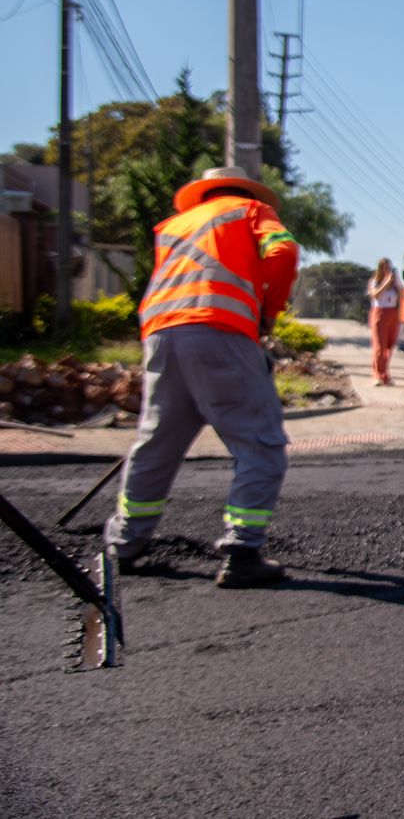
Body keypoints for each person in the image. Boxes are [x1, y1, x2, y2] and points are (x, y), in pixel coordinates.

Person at [103, 166, 301, 588]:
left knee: (156, 443)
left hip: (161, 334)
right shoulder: (251, 210)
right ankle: (242, 551)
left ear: (204, 193)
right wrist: (268, 311)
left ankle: (126, 544)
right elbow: (283, 252)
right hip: (220, 332)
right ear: (245, 190)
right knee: (260, 443)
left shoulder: (173, 225)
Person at [367, 257, 404, 386]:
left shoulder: (394, 284)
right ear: (381, 269)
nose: (388, 270)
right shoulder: (375, 282)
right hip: (380, 313)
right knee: (380, 347)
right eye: (386, 268)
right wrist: (385, 283)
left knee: (388, 347)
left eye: (390, 268)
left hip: (393, 313)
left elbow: (403, 295)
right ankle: (377, 375)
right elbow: (375, 295)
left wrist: (397, 281)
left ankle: (385, 375)